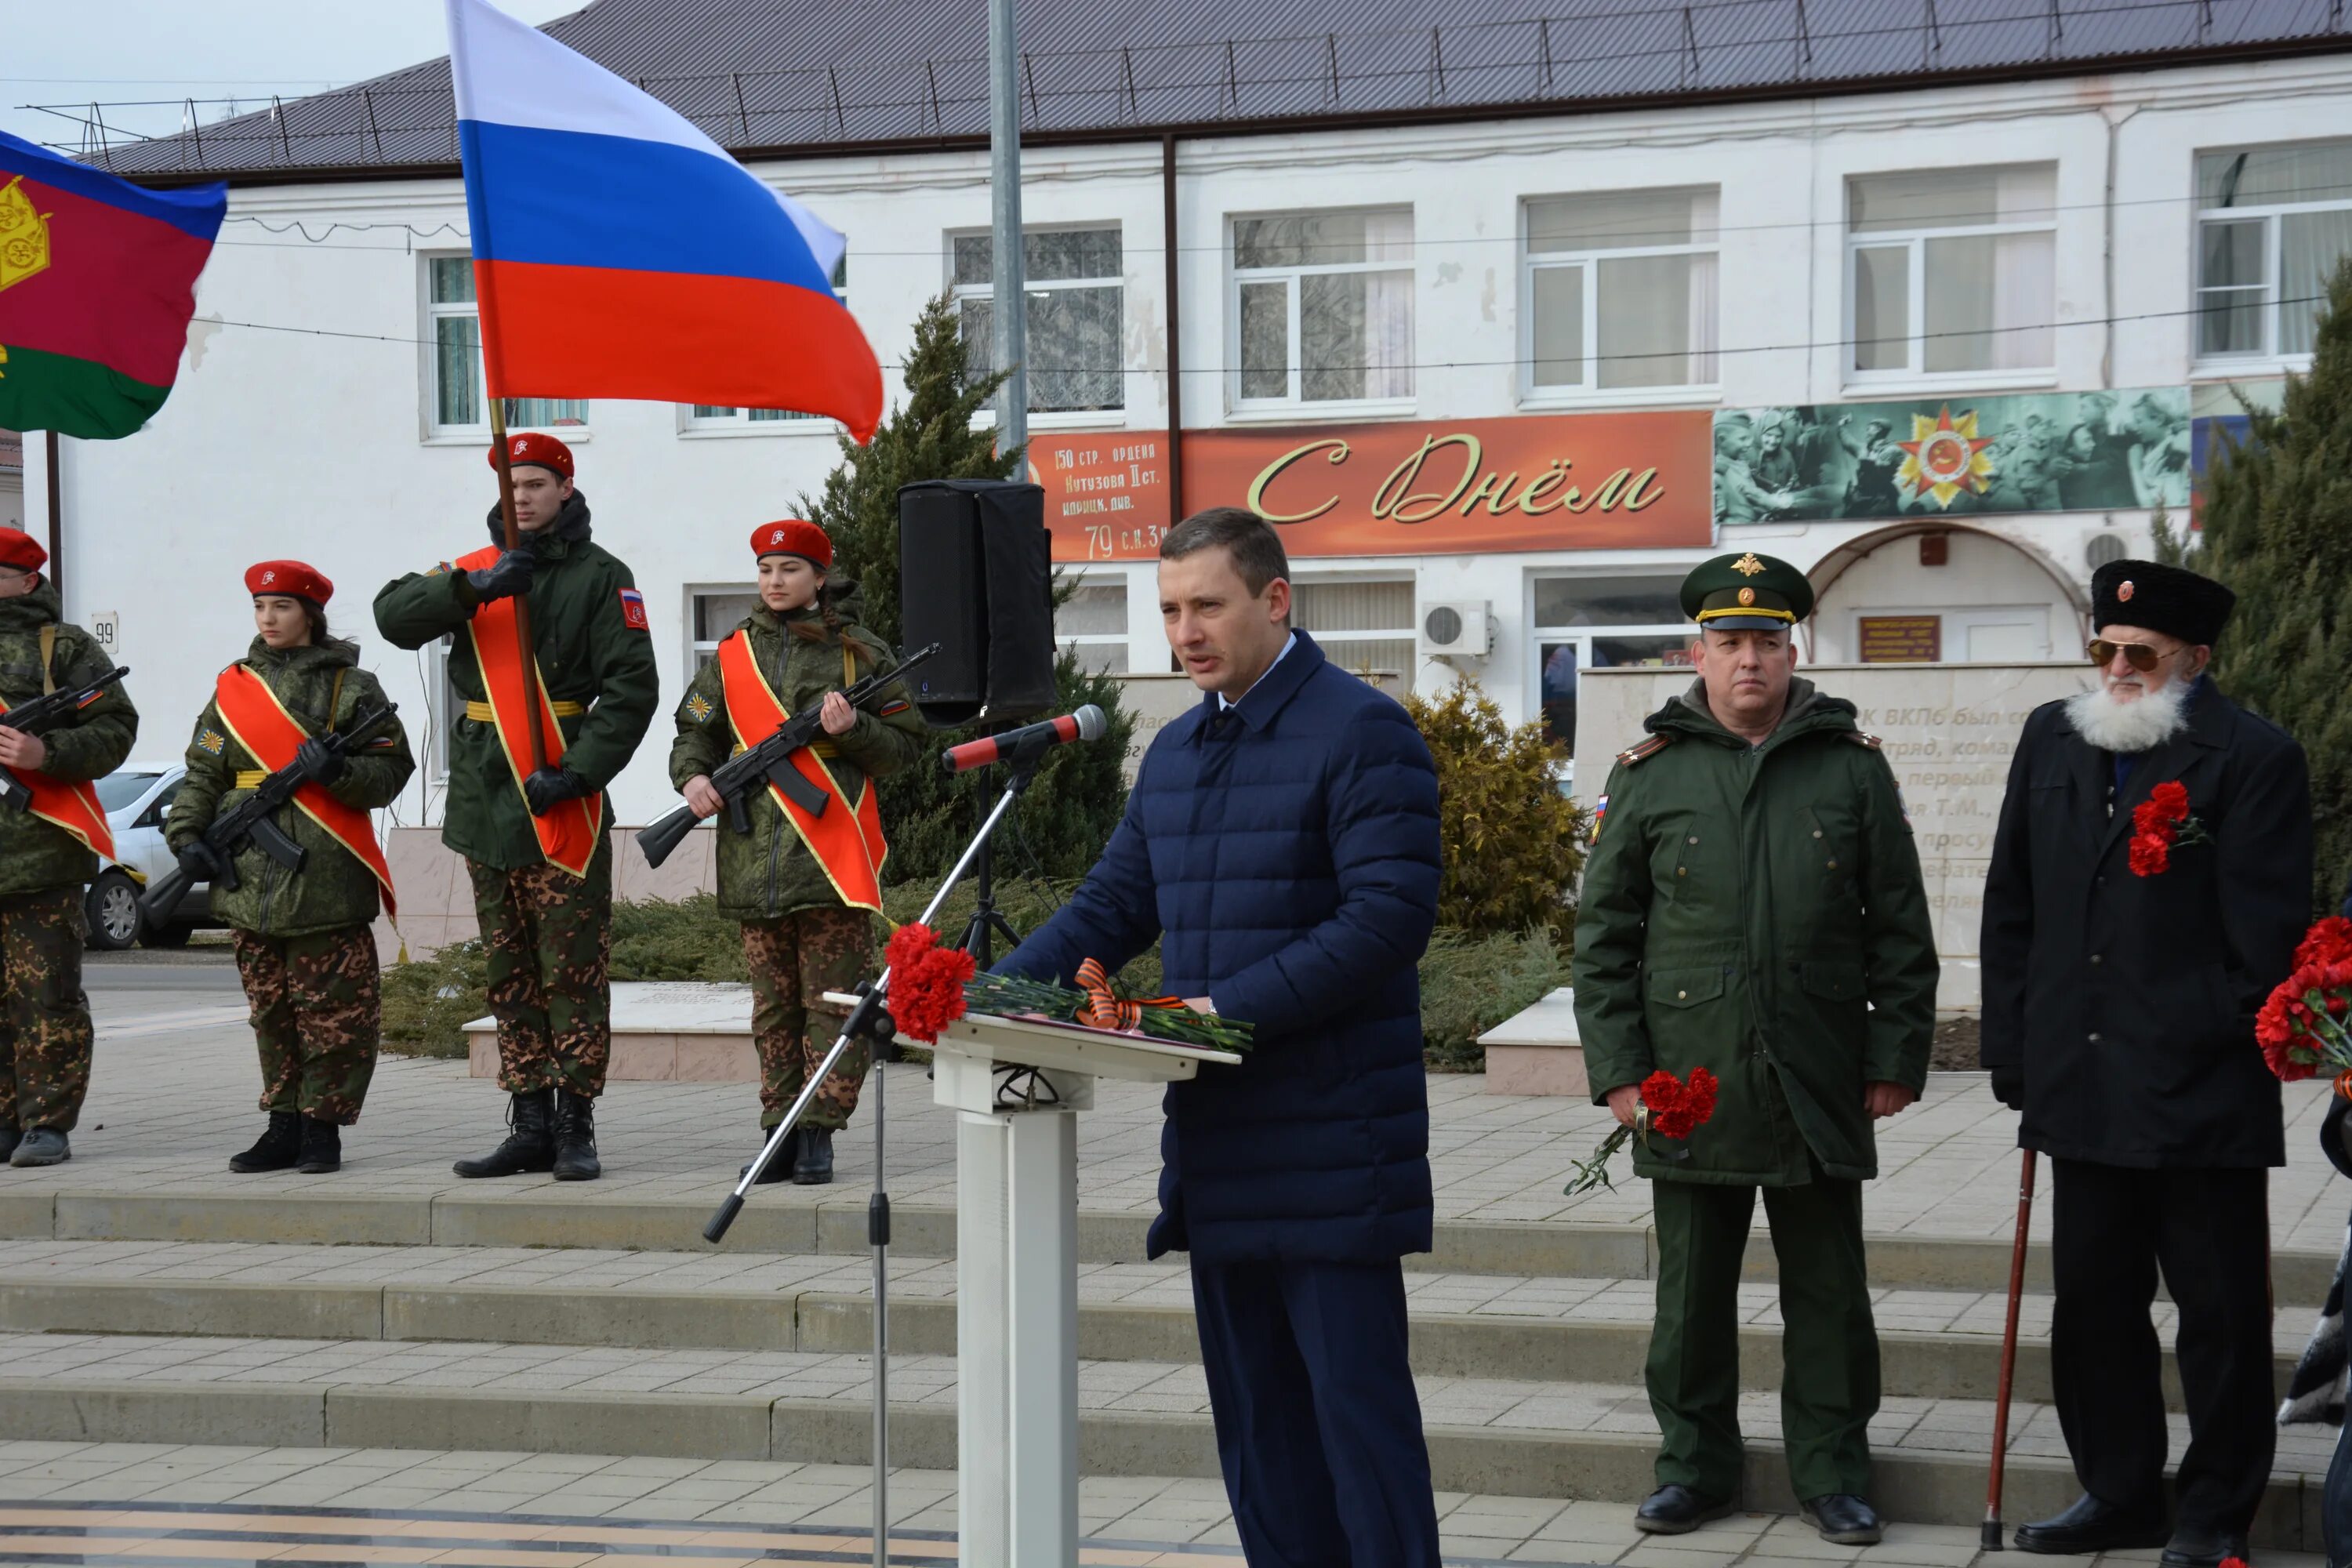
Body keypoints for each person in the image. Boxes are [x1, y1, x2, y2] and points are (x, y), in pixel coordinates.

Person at [997, 506, 1445, 1566]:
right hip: (1222, 1149)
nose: (1184, 631)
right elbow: (1110, 908)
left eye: (1207, 604)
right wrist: (971, 993)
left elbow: (1386, 922)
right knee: (1261, 1443)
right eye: (1168, 610)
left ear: (1274, 599)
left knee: (1357, 1434)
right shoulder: (1181, 749)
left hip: (1335, 1150)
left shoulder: (1360, 729)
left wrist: (1219, 1013)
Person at [1574, 550, 1938, 1543]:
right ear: (1698, 650)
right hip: (1687, 1079)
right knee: (1690, 1297)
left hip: (1818, 1072)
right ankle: (1694, 1468)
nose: (1748, 661)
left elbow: (1900, 929)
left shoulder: (1851, 767)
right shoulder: (1650, 774)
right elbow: (1603, 938)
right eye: (1729, 642)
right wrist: (1617, 1074)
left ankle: (1833, 1473)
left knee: (1829, 1291)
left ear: (1793, 649)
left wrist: (1894, 1058)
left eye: (1766, 643)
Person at [1980, 558, 2308, 1568]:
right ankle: (2119, 1490)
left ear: (2195, 660)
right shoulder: (2052, 735)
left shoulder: (2251, 755)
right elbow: (2012, 903)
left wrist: (2196, 1032)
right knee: (2093, 1308)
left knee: (2217, 1315)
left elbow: (2266, 942)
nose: (2117, 668)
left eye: (2142, 655)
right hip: (2077, 1081)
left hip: (2199, 1087)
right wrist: (2014, 1048)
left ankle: (2215, 1511)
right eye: (2104, 651)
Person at [374, 433, 657, 1181]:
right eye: (512, 485)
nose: (522, 497)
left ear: (565, 490)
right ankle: (528, 1118)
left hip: (557, 793)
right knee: (509, 970)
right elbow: (394, 616)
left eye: (536, 484)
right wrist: (479, 589)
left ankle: (576, 1125)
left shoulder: (603, 576)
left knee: (571, 967)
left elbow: (631, 690)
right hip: (484, 796)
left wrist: (578, 771)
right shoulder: (474, 571)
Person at [666, 520, 924, 1186]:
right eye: (765, 570)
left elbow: (904, 748)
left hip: (831, 854)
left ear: (819, 576)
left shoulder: (857, 653)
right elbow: (694, 727)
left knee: (835, 1002)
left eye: (788, 570)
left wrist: (856, 727)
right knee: (773, 1006)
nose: (774, 582)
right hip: (755, 858)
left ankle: (818, 1131)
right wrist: (694, 778)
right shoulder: (731, 656)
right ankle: (779, 1128)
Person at [166, 562, 415, 1174]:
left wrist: (339, 774)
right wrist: (187, 834)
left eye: (281, 606)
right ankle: (281, 1124)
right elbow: (203, 771)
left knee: (336, 1015)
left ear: (310, 613)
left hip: (326, 876)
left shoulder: (351, 689)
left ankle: (322, 1128)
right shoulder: (233, 689)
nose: (268, 619)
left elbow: (391, 771)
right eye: (260, 607)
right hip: (249, 879)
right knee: (271, 1012)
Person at [0, 531, 136, 1169]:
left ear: (28, 581)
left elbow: (115, 728)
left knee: (46, 995)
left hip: (41, 852)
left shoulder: (65, 648)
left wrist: (45, 755)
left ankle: (45, 1123)